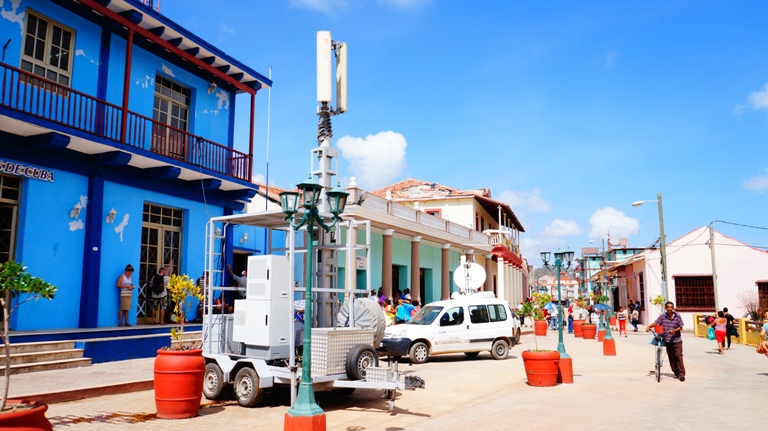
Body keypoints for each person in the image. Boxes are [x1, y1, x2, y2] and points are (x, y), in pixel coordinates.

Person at [646, 301, 685, 381]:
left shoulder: (677, 316)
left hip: (677, 340)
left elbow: (681, 327)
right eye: (668, 307)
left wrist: (674, 331)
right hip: (667, 340)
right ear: (666, 308)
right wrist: (648, 327)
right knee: (671, 357)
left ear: (673, 308)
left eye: (671, 307)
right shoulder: (663, 316)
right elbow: (656, 323)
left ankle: (681, 374)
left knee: (678, 356)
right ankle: (676, 372)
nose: (669, 308)